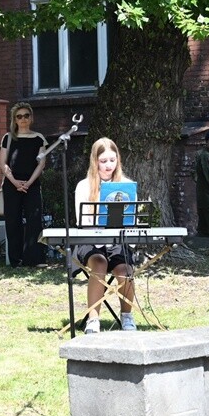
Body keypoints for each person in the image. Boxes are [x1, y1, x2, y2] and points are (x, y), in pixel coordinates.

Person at [73, 137, 136, 334]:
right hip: (90, 240)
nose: (109, 165)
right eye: (103, 161)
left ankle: (127, 316)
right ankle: (93, 319)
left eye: (112, 160)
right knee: (99, 263)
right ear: (95, 161)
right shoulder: (84, 186)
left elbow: (131, 219)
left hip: (118, 241)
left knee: (125, 269)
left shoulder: (126, 185)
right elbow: (81, 221)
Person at [0, 102, 47, 266]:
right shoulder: (8, 138)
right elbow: (3, 164)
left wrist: (28, 183)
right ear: (15, 120)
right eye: (19, 116)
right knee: (13, 221)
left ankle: (34, 259)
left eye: (26, 115)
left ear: (31, 118)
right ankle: (16, 260)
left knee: (34, 220)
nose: (23, 119)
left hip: (31, 183)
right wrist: (15, 182)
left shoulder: (39, 138)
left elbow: (41, 164)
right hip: (12, 183)